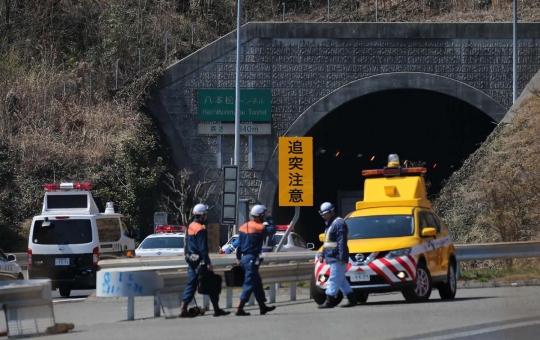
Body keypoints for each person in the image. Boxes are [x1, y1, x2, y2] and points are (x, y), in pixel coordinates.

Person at [180, 203, 230, 317]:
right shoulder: (200, 229)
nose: (206, 217)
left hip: (192, 260)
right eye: (205, 215)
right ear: (202, 215)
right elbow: (203, 248)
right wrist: (208, 263)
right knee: (212, 283)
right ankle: (216, 309)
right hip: (201, 262)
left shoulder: (191, 225)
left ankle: (184, 307)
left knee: (192, 284)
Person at [234, 204, 277, 316]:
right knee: (249, 284)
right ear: (260, 216)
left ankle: (262, 307)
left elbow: (239, 245)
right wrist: (270, 218)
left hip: (244, 259)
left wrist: (238, 258)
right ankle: (239, 308)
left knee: (257, 283)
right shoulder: (259, 227)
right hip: (252, 259)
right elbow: (272, 230)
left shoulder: (243, 227)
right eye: (263, 215)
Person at [318, 202, 358, 308]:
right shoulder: (330, 224)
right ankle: (352, 299)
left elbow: (342, 242)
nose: (324, 216)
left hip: (337, 257)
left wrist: (342, 257)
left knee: (334, 279)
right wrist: (322, 254)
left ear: (332, 211)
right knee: (341, 280)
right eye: (322, 215)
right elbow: (327, 242)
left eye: (325, 214)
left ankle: (329, 300)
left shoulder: (339, 223)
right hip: (332, 256)